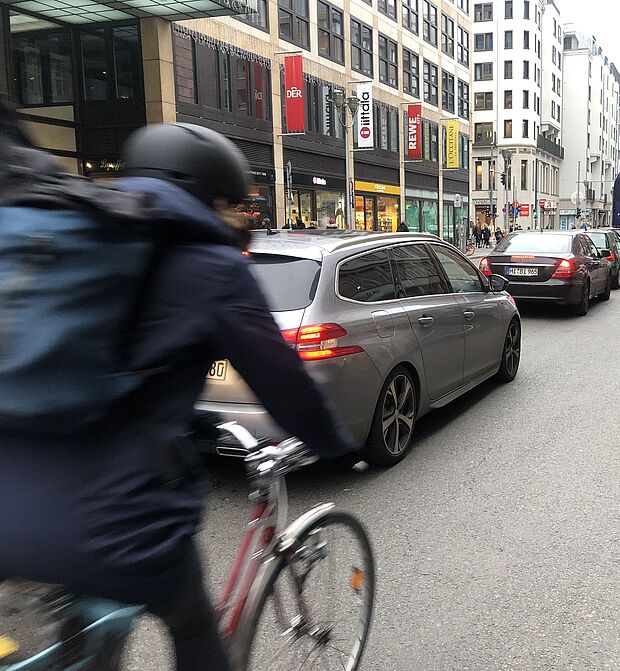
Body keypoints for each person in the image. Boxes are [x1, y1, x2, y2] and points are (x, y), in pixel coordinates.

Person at [0, 117, 355, 671]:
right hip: (113, 519)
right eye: (236, 206)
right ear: (208, 197)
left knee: (82, 627)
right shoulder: (212, 266)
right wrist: (333, 442)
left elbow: (105, 367)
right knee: (191, 623)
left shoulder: (72, 237)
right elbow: (284, 384)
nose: (244, 220)